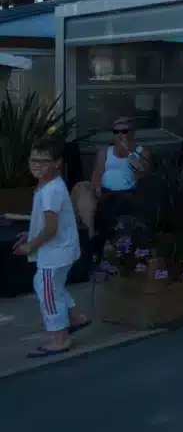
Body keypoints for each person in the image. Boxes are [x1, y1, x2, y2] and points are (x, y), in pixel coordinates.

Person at [13, 137, 90, 357]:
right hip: (61, 249)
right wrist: (31, 233)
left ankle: (59, 337)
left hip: (55, 253)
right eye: (33, 160)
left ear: (57, 163)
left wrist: (30, 246)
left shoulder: (50, 191)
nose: (36, 165)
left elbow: (50, 229)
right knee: (46, 284)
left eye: (43, 161)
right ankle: (75, 315)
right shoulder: (50, 186)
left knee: (49, 292)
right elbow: (49, 223)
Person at [70, 117, 151, 262]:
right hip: (106, 191)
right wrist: (97, 188)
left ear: (133, 133)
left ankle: (98, 246)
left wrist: (130, 153)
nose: (120, 135)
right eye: (116, 131)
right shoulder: (104, 152)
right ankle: (88, 238)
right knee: (81, 188)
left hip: (128, 192)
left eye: (124, 131)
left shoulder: (141, 151)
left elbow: (142, 173)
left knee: (115, 202)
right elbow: (97, 174)